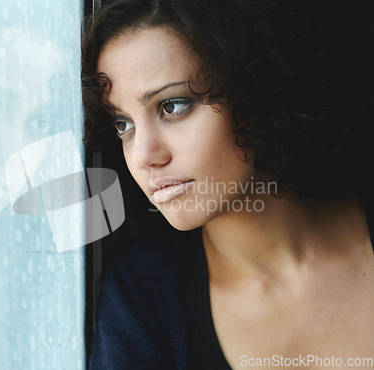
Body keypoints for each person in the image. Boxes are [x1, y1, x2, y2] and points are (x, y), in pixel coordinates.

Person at [82, 0, 374, 368]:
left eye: (172, 106)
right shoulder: (142, 297)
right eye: (123, 124)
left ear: (254, 90)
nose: (143, 156)